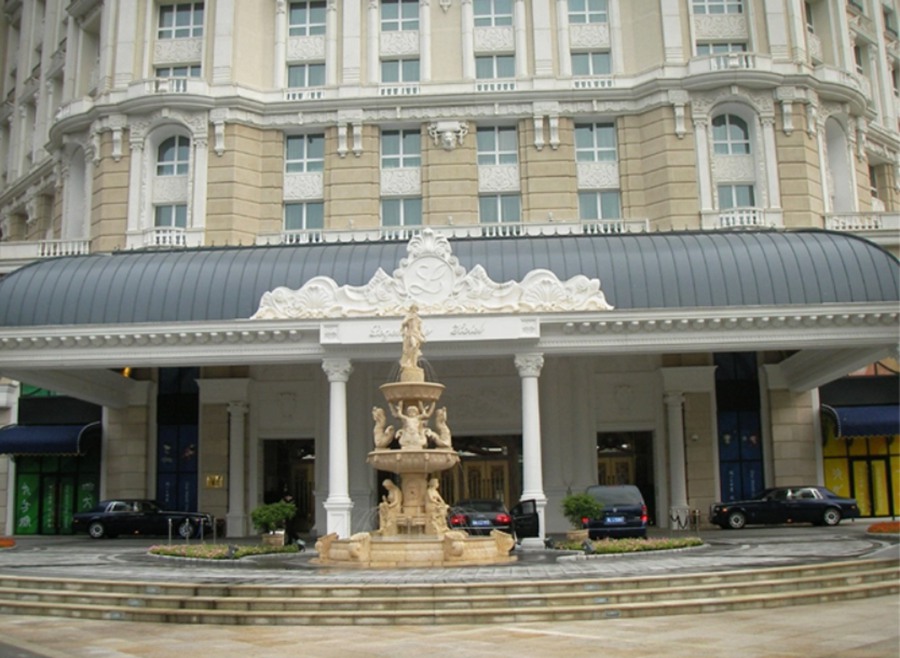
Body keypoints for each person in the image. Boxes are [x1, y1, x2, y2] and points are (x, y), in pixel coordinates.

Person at [400, 305, 425, 370]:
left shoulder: (418, 319)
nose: (414, 311)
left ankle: (414, 364)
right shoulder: (409, 317)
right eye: (413, 309)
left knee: (416, 350)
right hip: (411, 334)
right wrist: (409, 319)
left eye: (416, 310)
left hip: (417, 334)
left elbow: (419, 329)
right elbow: (403, 324)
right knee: (413, 346)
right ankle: (408, 359)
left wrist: (423, 335)